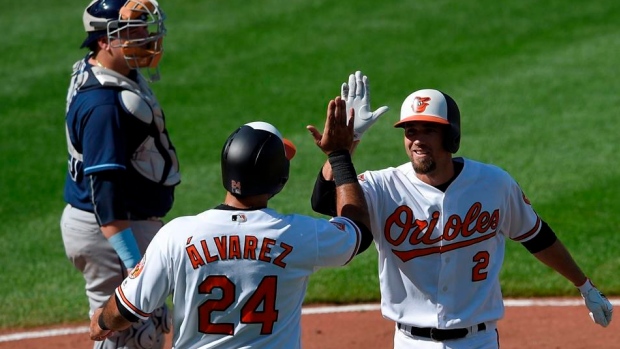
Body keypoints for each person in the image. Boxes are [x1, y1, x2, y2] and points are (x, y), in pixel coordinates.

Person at [310, 71, 614, 348]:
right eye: (410, 131)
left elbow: (536, 236)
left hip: (478, 341)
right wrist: (346, 147)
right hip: (411, 342)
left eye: (428, 130)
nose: (417, 140)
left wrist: (585, 286)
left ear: (450, 135)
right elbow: (324, 201)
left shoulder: (493, 183)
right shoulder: (382, 186)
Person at [88, 102, 374, 348]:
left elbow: (126, 309)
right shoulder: (297, 235)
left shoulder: (176, 234)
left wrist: (102, 320)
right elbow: (358, 232)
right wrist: (339, 156)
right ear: (278, 177)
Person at [60, 1, 179, 348]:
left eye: (142, 28)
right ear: (103, 42)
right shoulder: (104, 107)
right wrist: (134, 266)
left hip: (119, 221)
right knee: (128, 331)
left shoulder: (108, 71)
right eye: (129, 32)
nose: (143, 37)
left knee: (141, 326)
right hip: (112, 229)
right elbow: (106, 196)